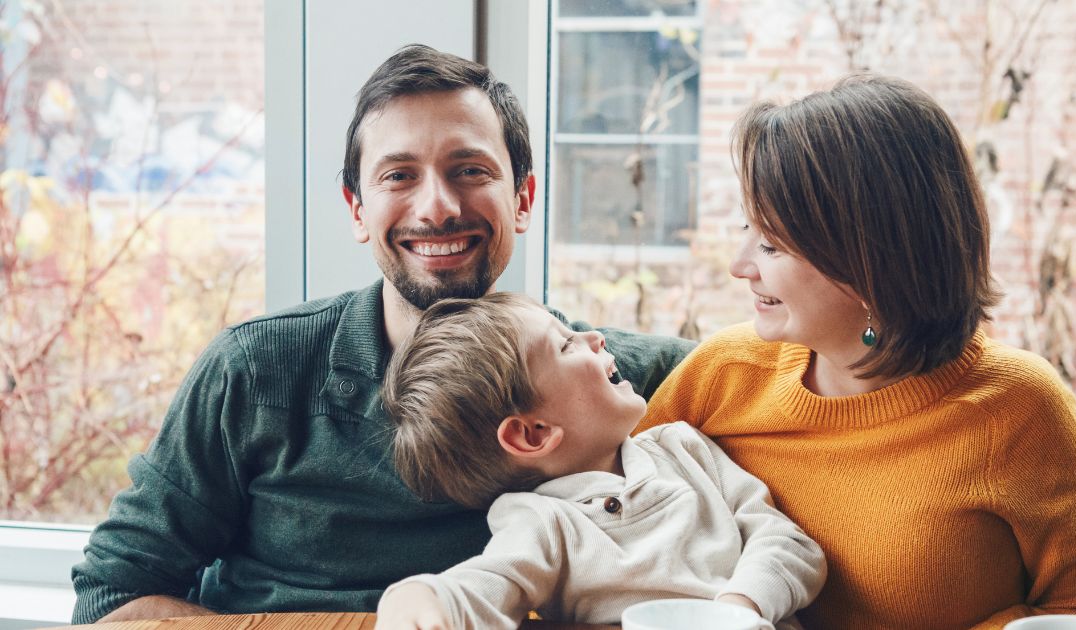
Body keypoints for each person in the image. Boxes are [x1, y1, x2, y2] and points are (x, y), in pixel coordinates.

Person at [70, 44, 694, 624]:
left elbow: (786, 377)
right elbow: (116, 594)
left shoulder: (629, 381)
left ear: (523, 198)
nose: (438, 207)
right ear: (357, 210)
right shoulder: (255, 370)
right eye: (399, 176)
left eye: (470, 169)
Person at [636, 74, 1076, 630]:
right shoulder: (723, 372)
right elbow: (605, 521)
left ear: (870, 256)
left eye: (770, 242)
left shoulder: (1020, 408)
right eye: (745, 228)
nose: (739, 264)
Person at [373, 292, 826, 630]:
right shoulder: (542, 520)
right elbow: (493, 582)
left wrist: (740, 606)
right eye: (566, 345)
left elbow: (787, 543)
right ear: (534, 434)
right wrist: (422, 598)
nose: (594, 337)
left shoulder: (684, 449)